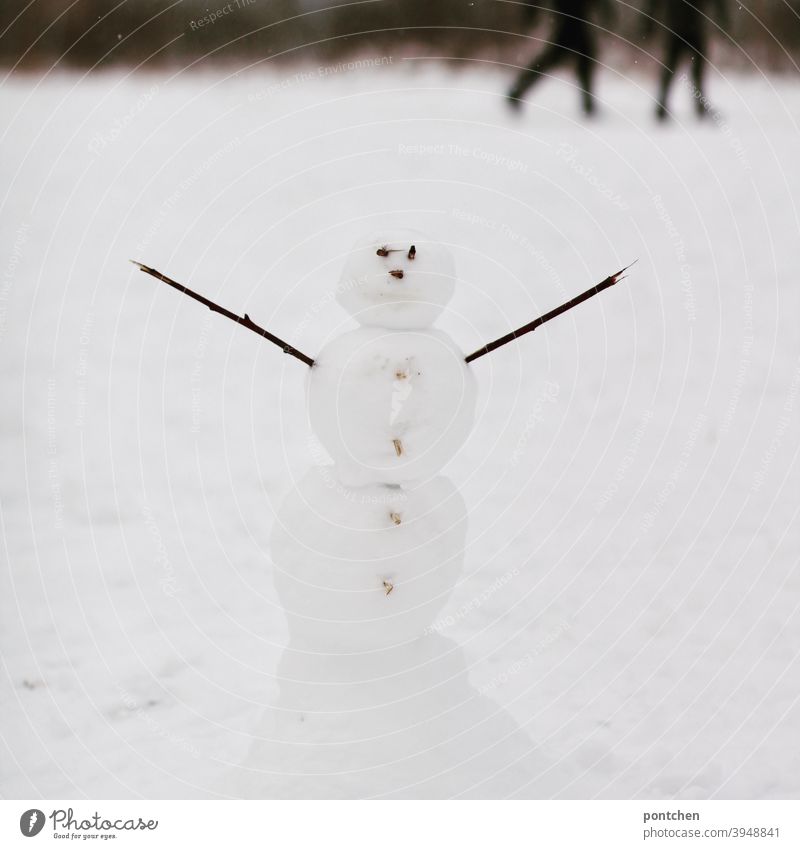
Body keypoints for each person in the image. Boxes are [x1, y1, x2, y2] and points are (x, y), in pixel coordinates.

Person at [507, 0, 616, 116]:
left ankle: (588, 104)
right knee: (575, 58)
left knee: (582, 58)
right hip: (569, 18)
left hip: (575, 18)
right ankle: (517, 92)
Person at [643, 0, 729, 120]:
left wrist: (648, 23)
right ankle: (662, 104)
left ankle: (697, 105)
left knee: (694, 69)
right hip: (678, 28)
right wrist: (648, 23)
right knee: (671, 67)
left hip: (691, 28)